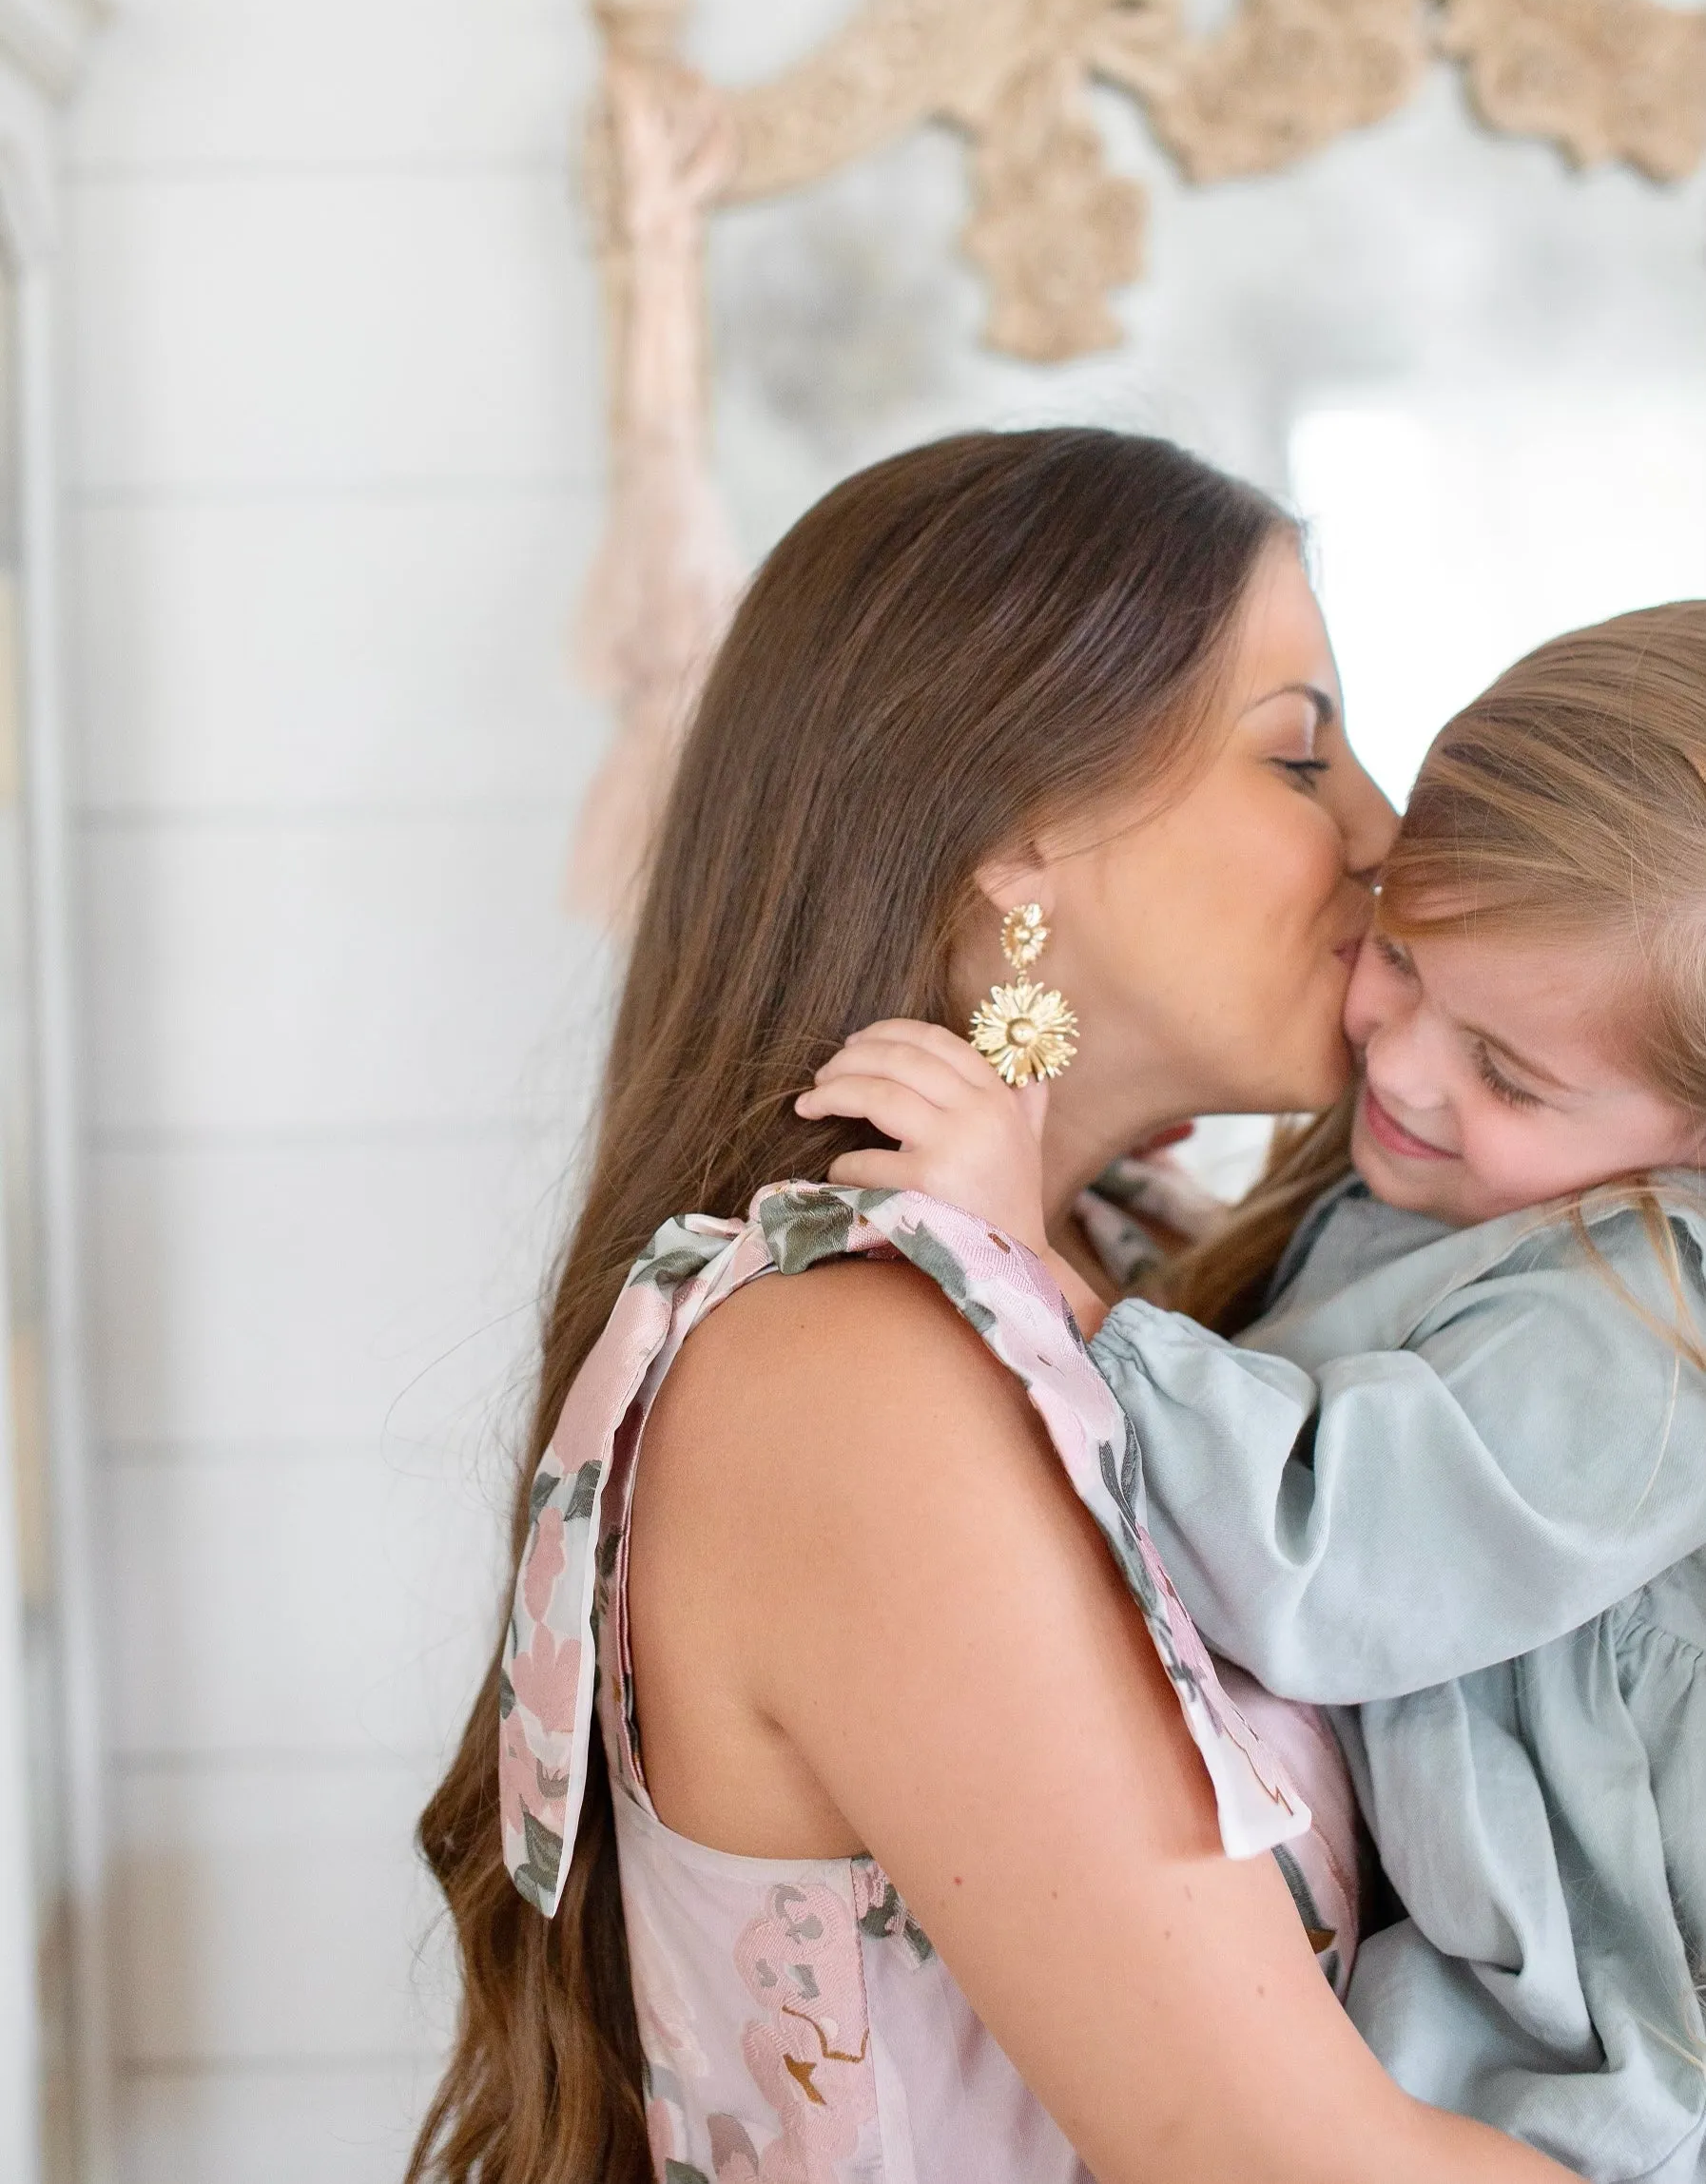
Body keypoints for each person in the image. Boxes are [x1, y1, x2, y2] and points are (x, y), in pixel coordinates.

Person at [407, 427, 1566, 2184]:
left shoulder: (1124, 1266)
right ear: (1021, 831)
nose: (1384, 836)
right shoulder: (844, 1368)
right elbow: (1267, 2154)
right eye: (1299, 755)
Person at [817, 603, 1706, 2179]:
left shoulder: (1647, 1312)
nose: (1407, 1063)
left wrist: (1039, 1272)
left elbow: (1319, 1554)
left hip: (1585, 2085)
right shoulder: (1431, 1211)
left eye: (1510, 1075)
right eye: (1402, 958)